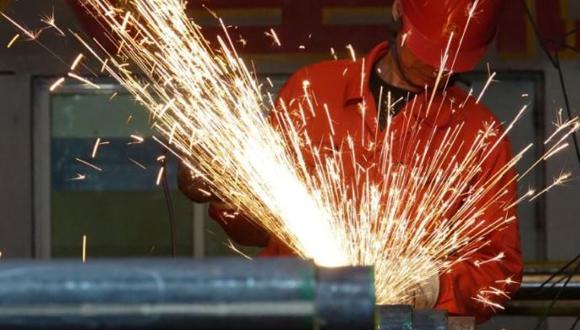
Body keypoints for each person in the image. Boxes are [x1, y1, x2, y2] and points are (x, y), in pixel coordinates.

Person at [179, 0, 523, 323]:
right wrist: (228, 192)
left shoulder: (479, 135)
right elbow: (259, 229)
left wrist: (434, 286)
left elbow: (499, 269)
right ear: (398, 9)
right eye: (426, 51)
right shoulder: (312, 92)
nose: (435, 67)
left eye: (450, 60)